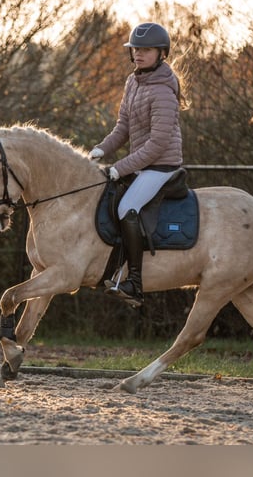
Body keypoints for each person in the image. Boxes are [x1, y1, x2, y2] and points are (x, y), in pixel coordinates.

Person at [88, 22, 186, 308]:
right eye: (135, 49)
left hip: (162, 166)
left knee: (126, 208)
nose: (139, 54)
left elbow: (156, 145)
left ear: (161, 53)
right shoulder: (133, 82)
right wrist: (100, 149)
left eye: (146, 50)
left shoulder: (164, 92)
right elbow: (123, 128)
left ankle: (135, 283)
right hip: (142, 164)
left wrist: (120, 167)